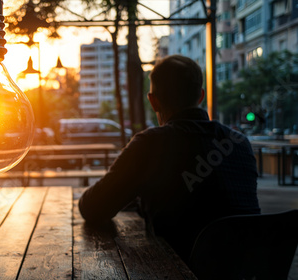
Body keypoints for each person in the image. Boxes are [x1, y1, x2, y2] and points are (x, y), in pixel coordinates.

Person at [78, 55, 261, 261]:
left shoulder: (150, 144)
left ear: (154, 101)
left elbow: (92, 207)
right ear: (200, 96)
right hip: (246, 268)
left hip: (180, 270)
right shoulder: (240, 143)